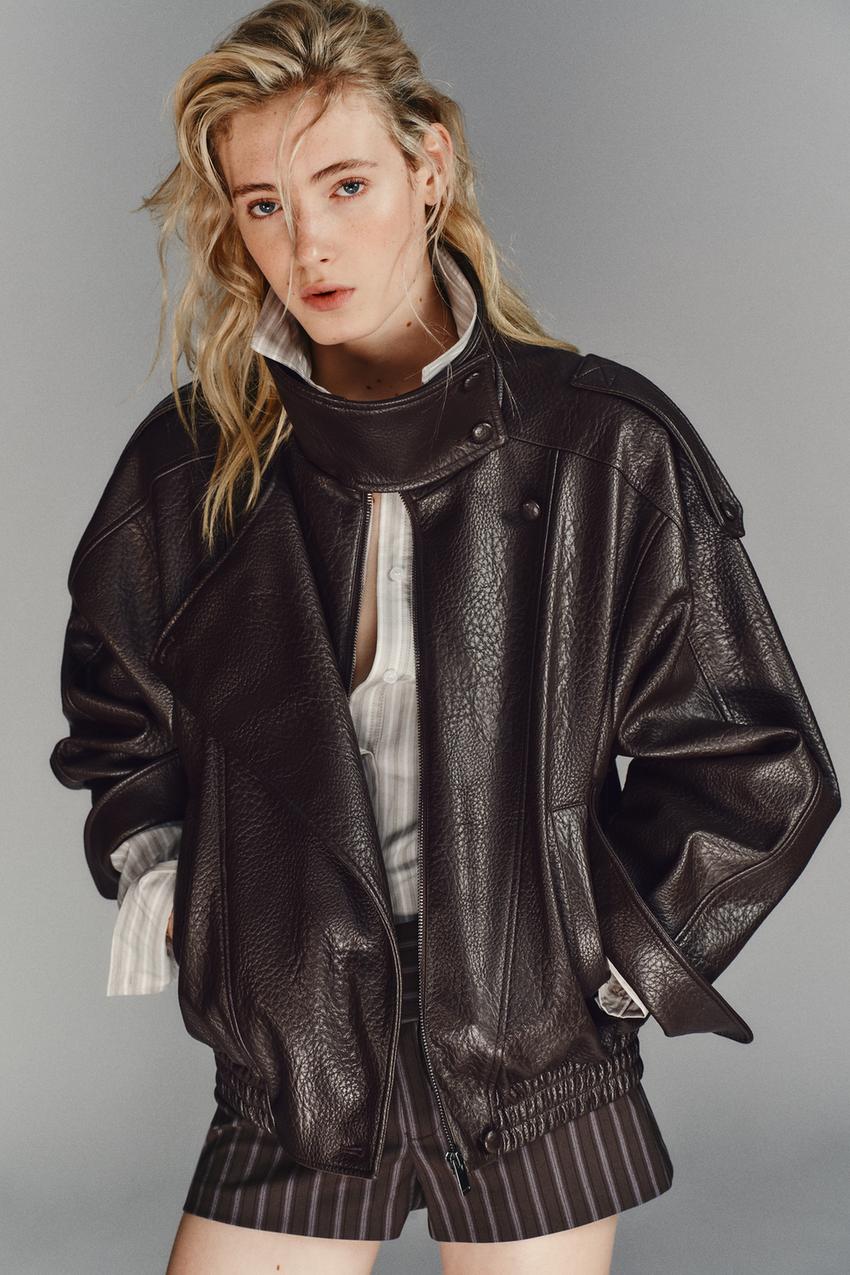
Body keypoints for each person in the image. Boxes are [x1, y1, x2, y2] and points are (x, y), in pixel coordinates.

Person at [48, 3, 841, 1273]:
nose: (307, 242)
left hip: (537, 1065)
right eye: (262, 205)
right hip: (296, 1054)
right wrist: (172, 879)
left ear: (429, 168)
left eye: (343, 183)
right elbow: (115, 698)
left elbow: (755, 755)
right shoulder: (192, 465)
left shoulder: (600, 446)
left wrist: (615, 960)